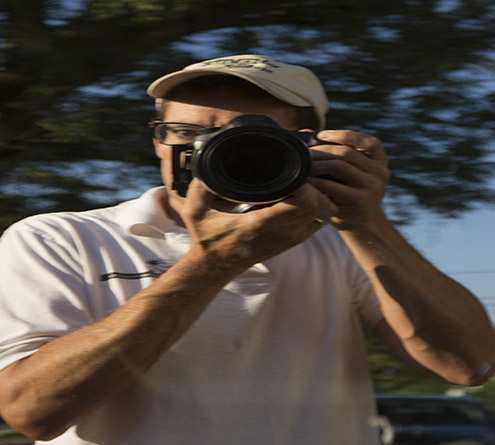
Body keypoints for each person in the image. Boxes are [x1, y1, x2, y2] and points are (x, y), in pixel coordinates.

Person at [0, 54, 493, 445]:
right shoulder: (60, 238)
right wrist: (212, 262)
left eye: (242, 139)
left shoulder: (341, 243)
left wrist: (369, 223)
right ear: (157, 141)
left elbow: (469, 365)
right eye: (187, 134)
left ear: (307, 147)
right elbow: (31, 411)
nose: (205, 153)